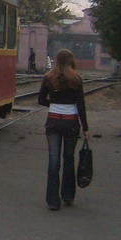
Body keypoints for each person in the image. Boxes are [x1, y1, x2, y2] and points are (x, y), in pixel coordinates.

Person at [37, 48, 89, 211]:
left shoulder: (48, 78)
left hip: (53, 122)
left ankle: (53, 201)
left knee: (53, 161)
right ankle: (67, 195)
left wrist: (53, 105)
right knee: (69, 158)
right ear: (71, 61)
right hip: (71, 123)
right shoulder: (76, 79)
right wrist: (85, 128)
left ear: (56, 60)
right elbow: (80, 105)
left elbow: (40, 100)